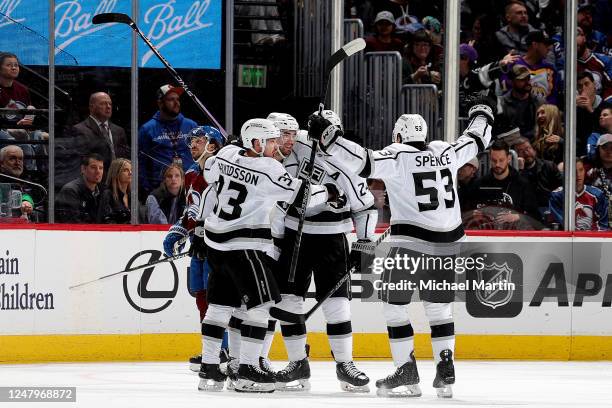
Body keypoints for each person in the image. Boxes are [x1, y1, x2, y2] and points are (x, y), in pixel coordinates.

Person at [306, 102, 494, 398]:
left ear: (398, 136)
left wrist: (329, 136)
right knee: (439, 308)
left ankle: (406, 371)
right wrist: (481, 114)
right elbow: (477, 138)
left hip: (411, 246)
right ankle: (446, 368)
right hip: (449, 244)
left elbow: (362, 161)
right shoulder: (444, 151)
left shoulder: (396, 156)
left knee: (395, 306)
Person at [196, 118, 343, 393]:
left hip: (216, 245)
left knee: (219, 307)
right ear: (256, 142)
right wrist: (330, 191)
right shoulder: (269, 168)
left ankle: (210, 368)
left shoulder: (226, 154)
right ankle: (247, 371)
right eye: (272, 141)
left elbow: (208, 172)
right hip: (244, 248)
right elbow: (302, 197)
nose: (276, 146)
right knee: (262, 307)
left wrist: (231, 150)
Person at [271, 111, 376, 393]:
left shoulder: (350, 164)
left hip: (332, 239)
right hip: (295, 235)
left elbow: (365, 207)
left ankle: (345, 364)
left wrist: (364, 242)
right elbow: (280, 140)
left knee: (337, 304)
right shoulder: (301, 142)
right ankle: (297, 363)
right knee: (289, 301)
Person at [162, 126, 228, 373]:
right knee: (201, 295)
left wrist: (206, 231)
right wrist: (180, 228)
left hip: (219, 244)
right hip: (198, 244)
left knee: (218, 298)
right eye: (191, 141)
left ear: (213, 145)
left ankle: (226, 349)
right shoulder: (190, 173)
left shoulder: (223, 175)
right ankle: (211, 348)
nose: (192, 145)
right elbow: (192, 210)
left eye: (199, 141)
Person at [138, 84, 197, 199]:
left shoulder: (191, 125)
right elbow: (141, 163)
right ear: (160, 103)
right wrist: (148, 190)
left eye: (177, 99)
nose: (176, 103)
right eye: (171, 99)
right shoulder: (147, 129)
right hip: (160, 190)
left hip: (189, 188)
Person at [464, 140, 540, 229]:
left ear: (509, 158)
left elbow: (535, 216)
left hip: (514, 235)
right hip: (487, 233)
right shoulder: (479, 184)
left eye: (501, 160)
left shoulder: (522, 184)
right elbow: (465, 212)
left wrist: (517, 217)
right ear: (490, 158)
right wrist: (473, 214)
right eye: (494, 160)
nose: (497, 164)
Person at [70, 92, 129, 178]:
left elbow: (125, 158)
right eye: (103, 104)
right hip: (95, 181)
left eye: (110, 104)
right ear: (91, 107)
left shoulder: (119, 130)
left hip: (118, 181)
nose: (108, 107)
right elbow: (79, 163)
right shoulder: (79, 129)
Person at [549, 157, 608, 231]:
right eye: (574, 171)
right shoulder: (557, 195)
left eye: (581, 170)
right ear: (566, 173)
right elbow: (562, 223)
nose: (578, 174)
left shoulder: (597, 194)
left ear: (584, 171)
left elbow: (603, 225)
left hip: (593, 239)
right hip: (568, 239)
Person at [514, 137, 563, 217]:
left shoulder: (549, 166)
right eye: (521, 151)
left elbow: (561, 187)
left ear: (534, 150)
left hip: (548, 207)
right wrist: (521, 171)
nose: (526, 153)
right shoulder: (515, 172)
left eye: (528, 148)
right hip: (526, 212)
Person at [510, 30, 558, 105]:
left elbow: (552, 99)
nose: (549, 48)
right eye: (546, 44)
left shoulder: (550, 69)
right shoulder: (513, 64)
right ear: (535, 44)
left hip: (543, 114)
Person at [56, 153, 104, 223]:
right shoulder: (70, 191)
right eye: (93, 167)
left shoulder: (103, 191)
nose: (98, 171)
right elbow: (73, 224)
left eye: (101, 168)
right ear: (83, 169)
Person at [497, 65, 540, 141]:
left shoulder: (538, 102)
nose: (527, 82)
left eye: (528, 78)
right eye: (522, 79)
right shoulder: (501, 103)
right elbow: (500, 133)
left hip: (533, 144)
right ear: (511, 81)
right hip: (510, 145)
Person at [0, 145, 35, 220]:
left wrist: (26, 202)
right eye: (12, 158)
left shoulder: (28, 180)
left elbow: (25, 193)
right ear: (1, 164)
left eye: (20, 159)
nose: (17, 163)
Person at [577, 71, 606, 156]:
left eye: (587, 84)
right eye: (579, 86)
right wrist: (576, 110)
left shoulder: (606, 106)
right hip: (580, 151)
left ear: (594, 86)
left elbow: (604, 130)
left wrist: (590, 110)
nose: (583, 88)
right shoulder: (575, 109)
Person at [587, 133, 612, 227]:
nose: (609, 151)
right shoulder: (588, 171)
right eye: (605, 147)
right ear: (598, 150)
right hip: (595, 219)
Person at [97, 158, 132, 224]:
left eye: (131, 170)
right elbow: (106, 221)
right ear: (116, 173)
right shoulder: (107, 194)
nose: (130, 173)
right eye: (125, 170)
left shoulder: (132, 196)